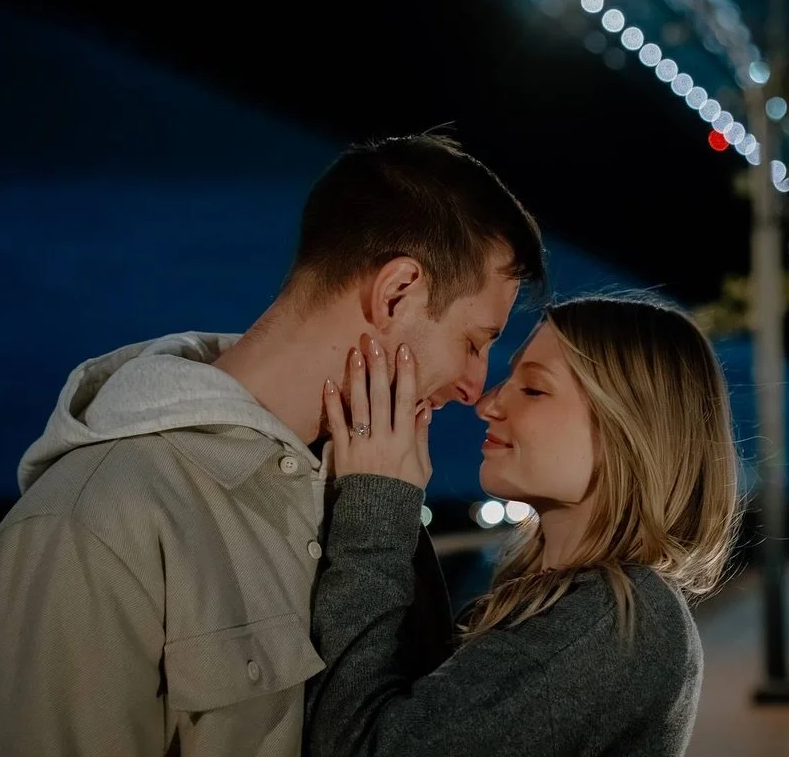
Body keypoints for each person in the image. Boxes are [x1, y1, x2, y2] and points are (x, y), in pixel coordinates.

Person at [0, 133, 546, 757]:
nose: (473, 387)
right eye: (475, 342)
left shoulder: (371, 493)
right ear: (395, 292)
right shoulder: (93, 521)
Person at [308, 293, 741, 756]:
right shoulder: (582, 603)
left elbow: (364, 748)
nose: (487, 405)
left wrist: (376, 502)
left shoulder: (610, 622)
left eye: (533, 389)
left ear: (629, 432)